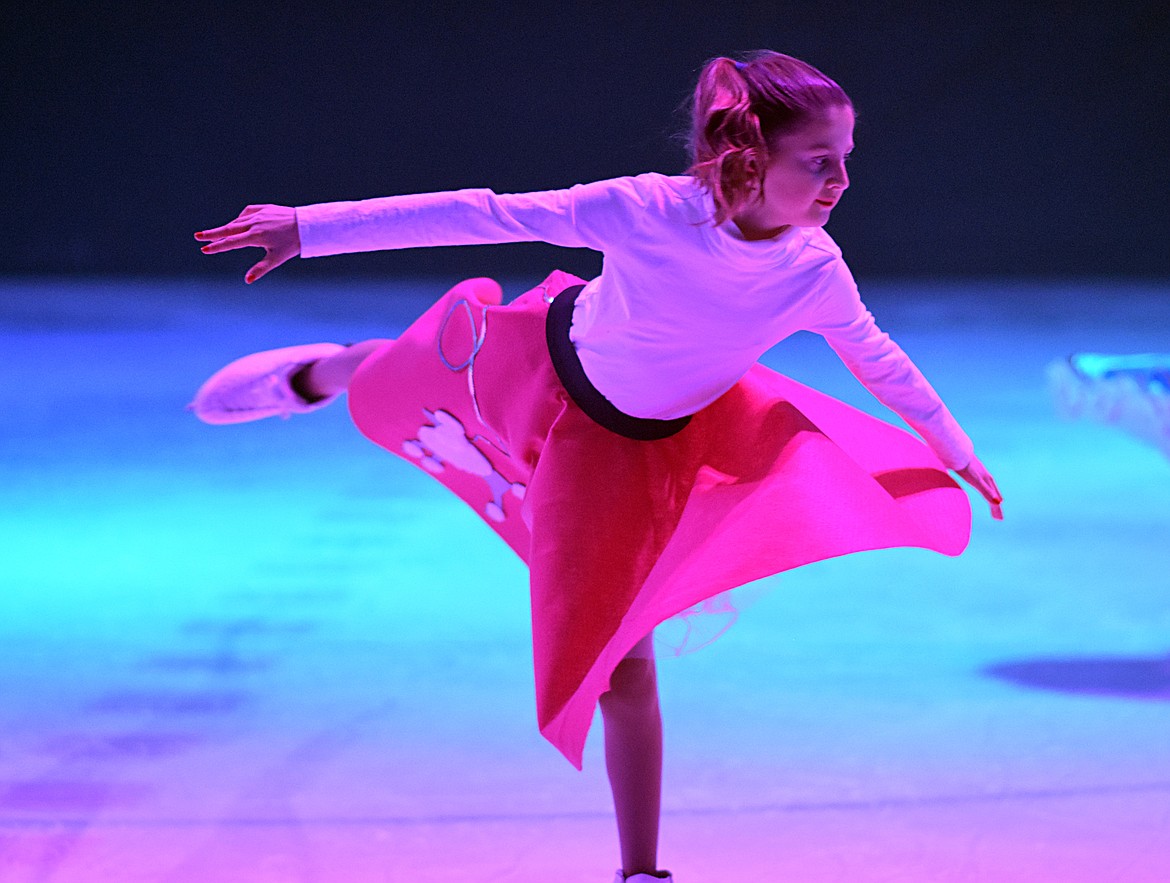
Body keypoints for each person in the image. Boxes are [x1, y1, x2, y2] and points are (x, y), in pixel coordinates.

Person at [192, 50, 1003, 883]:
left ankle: (641, 872)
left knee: (618, 665)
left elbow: (878, 358)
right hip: (534, 373)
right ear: (753, 158)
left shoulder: (813, 269)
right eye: (820, 161)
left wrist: (956, 450)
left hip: (630, 450)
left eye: (845, 161)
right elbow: (486, 213)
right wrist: (310, 227)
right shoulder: (647, 209)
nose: (838, 182)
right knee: (401, 376)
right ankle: (315, 374)